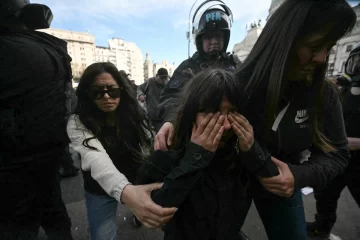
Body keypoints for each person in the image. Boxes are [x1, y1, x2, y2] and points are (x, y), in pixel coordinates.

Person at [234, 0, 356, 239]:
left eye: (329, 47)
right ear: (284, 40)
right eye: (314, 46)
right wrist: (172, 122)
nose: (322, 58)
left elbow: (338, 153)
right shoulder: (237, 86)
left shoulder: (324, 93)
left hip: (282, 183)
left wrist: (298, 175)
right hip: (233, 182)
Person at [137, 69, 273, 240]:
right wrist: (195, 157)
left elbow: (275, 186)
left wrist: (253, 151)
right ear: (191, 113)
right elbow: (154, 212)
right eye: (211, 113)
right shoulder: (168, 153)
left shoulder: (240, 152)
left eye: (232, 112)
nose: (225, 126)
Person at [67, 62, 177, 240]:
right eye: (97, 91)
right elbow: (94, 157)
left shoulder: (134, 112)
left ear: (121, 90)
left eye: (112, 90)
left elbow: (149, 142)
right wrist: (127, 192)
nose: (106, 97)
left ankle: (137, 210)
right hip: (99, 189)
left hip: (136, 180)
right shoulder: (77, 122)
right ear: (87, 94)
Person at [0, 0, 74, 239]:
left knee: (19, 225)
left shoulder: (10, 49)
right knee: (54, 214)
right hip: (47, 155)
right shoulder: (49, 48)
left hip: (14, 165)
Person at [155, 0, 241, 151]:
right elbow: (171, 97)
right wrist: (171, 121)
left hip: (233, 140)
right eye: (208, 37)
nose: (214, 42)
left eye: (218, 36)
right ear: (200, 40)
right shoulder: (187, 67)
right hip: (198, 141)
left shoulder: (235, 65)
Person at [307, 43, 360, 239]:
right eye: (357, 63)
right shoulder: (341, 91)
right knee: (325, 195)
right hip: (337, 159)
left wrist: (350, 143)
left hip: (356, 160)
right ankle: (322, 227)